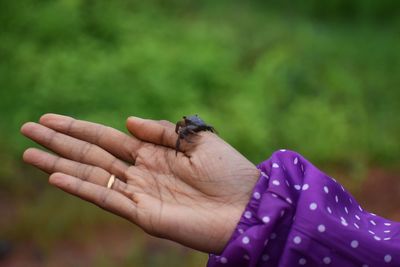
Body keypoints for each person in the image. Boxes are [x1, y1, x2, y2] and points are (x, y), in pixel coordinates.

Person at [21, 114, 399, 267]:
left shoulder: (194, 131)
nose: (186, 128)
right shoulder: (188, 130)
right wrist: (262, 212)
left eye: (190, 128)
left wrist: (259, 211)